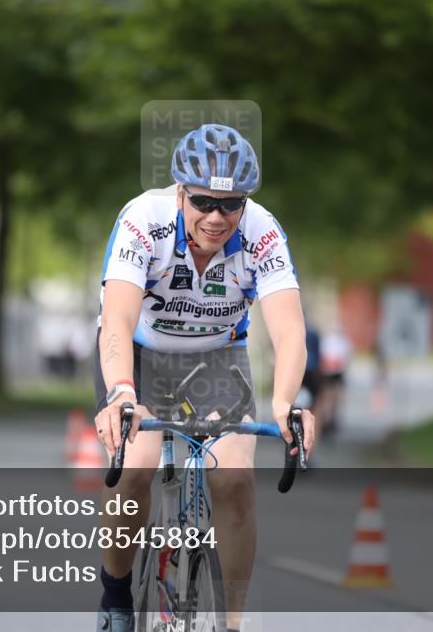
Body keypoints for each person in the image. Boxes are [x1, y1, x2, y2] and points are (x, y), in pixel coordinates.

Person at [93, 124, 315, 632]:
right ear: (180, 193)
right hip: (140, 355)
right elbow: (118, 318)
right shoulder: (142, 219)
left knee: (234, 478)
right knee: (136, 465)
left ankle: (231, 622)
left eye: (230, 204)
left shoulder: (261, 231)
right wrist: (121, 393)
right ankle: (116, 596)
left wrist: (286, 403)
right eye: (203, 202)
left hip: (217, 358)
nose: (216, 217)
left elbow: (289, 329)